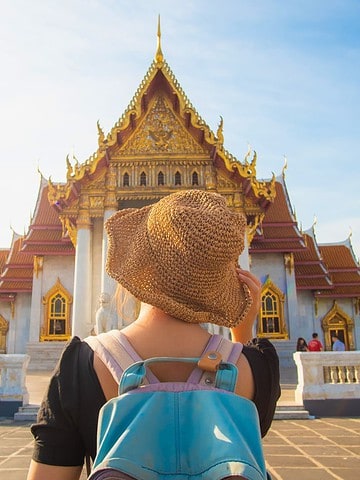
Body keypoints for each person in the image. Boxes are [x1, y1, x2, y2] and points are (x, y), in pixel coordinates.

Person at [27, 189, 280, 480]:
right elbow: (242, 437)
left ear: (140, 264)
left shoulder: (80, 366)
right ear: (218, 283)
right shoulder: (256, 369)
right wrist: (242, 333)